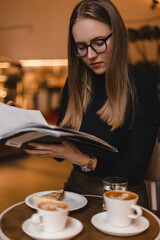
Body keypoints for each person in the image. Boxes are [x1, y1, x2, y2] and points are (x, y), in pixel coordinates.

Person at [8, 0, 160, 208]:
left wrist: (81, 159)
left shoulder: (143, 86)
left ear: (119, 36)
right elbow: (65, 147)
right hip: (77, 189)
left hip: (123, 198)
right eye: (81, 46)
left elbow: (134, 170)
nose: (90, 55)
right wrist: (28, 130)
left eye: (99, 42)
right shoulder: (75, 82)